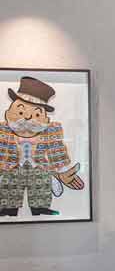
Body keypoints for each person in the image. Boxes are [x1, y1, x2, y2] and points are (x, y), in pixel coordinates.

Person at [0, 76, 84, 216]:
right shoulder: (3, 130)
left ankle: (40, 207)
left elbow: (56, 151)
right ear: (10, 112)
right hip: (12, 166)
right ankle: (8, 209)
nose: (27, 117)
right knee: (9, 184)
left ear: (44, 116)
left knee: (42, 184)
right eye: (20, 112)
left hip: (39, 166)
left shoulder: (50, 131)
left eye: (36, 114)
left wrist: (62, 171)